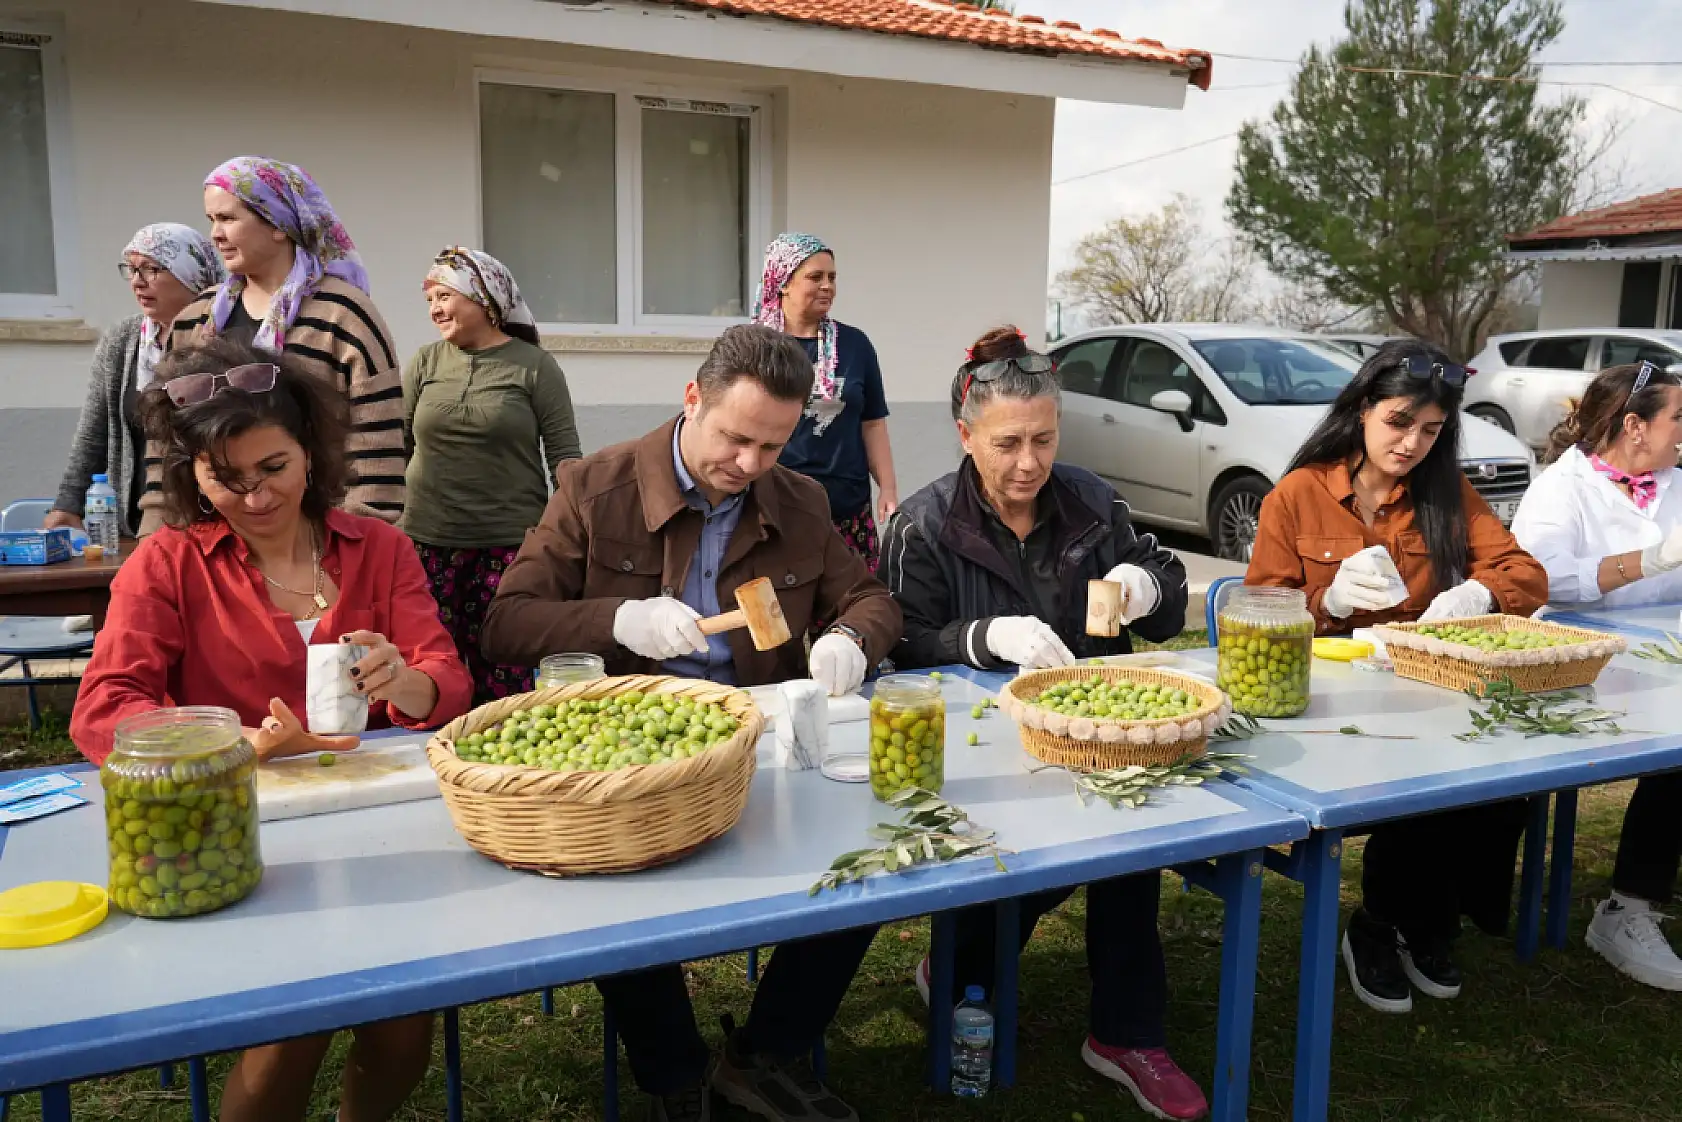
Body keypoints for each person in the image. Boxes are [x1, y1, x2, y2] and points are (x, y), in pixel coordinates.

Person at [481, 323, 902, 1122]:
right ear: (691, 401)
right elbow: (507, 623)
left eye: (772, 447)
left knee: (866, 865)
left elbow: (873, 597)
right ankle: (675, 1075)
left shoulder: (799, 500)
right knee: (610, 877)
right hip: (629, 761)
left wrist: (853, 637)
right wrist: (618, 620)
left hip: (756, 751)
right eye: (736, 438)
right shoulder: (594, 488)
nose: (749, 465)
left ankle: (767, 1050)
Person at [70, 339, 472, 1122]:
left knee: (402, 1028)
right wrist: (229, 746)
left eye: (274, 469)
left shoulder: (378, 548)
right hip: (237, 827)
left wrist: (405, 678)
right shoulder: (169, 564)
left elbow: (446, 683)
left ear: (312, 456)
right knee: (295, 1025)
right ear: (194, 474)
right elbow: (105, 705)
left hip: (376, 826)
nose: (255, 498)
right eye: (227, 478)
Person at [881, 326, 1205, 1120]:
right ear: (965, 435)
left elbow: (1165, 587)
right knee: (1016, 865)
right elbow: (898, 648)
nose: (1028, 463)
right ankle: (958, 967)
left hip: (1097, 734)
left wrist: (1142, 585)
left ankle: (1127, 1034)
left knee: (1127, 849)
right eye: (1007, 444)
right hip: (984, 753)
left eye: (1044, 440)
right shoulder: (922, 526)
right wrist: (980, 638)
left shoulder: (1092, 503)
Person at [1246, 339, 1549, 1015]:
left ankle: (1422, 922)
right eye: (1399, 423)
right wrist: (1328, 604)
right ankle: (1380, 925)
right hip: (1330, 705)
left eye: (1431, 430)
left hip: (1428, 692)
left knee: (1503, 783)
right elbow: (1259, 612)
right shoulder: (1299, 494)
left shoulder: (1445, 493)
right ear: (1361, 411)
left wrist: (1480, 594)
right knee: (1421, 786)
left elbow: (1527, 574)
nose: (1412, 443)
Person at [1511, 360, 1682, 990]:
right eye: (1679, 419)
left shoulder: (1673, 483)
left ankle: (1636, 902)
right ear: (1635, 426)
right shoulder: (1562, 489)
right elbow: (1541, 581)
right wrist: (1650, 559)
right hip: (1581, 668)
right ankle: (1628, 910)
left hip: (1662, 661)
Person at [149, 156, 406, 533]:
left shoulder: (343, 316)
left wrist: (350, 548)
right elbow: (165, 444)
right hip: (210, 546)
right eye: (211, 221)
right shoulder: (194, 320)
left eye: (228, 219)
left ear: (279, 225)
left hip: (319, 544)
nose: (215, 235)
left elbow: (377, 447)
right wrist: (156, 534)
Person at [402, 246, 581, 702]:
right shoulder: (425, 362)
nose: (435, 309)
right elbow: (396, 446)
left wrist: (568, 542)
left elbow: (565, 461)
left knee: (505, 668)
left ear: (482, 298)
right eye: (430, 301)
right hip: (428, 544)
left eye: (445, 296)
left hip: (508, 546)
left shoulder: (535, 367)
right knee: (430, 666)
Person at [46, 223, 224, 537]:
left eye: (152, 269)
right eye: (131, 270)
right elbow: (93, 431)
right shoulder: (123, 340)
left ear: (190, 274)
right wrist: (67, 504)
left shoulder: (222, 336)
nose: (137, 282)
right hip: (134, 526)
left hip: (209, 522)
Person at [755, 233, 898, 572]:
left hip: (848, 511)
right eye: (815, 277)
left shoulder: (855, 345)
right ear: (783, 283)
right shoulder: (757, 347)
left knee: (850, 610)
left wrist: (888, 488)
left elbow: (873, 421)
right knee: (780, 616)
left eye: (832, 278)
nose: (827, 286)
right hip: (776, 509)